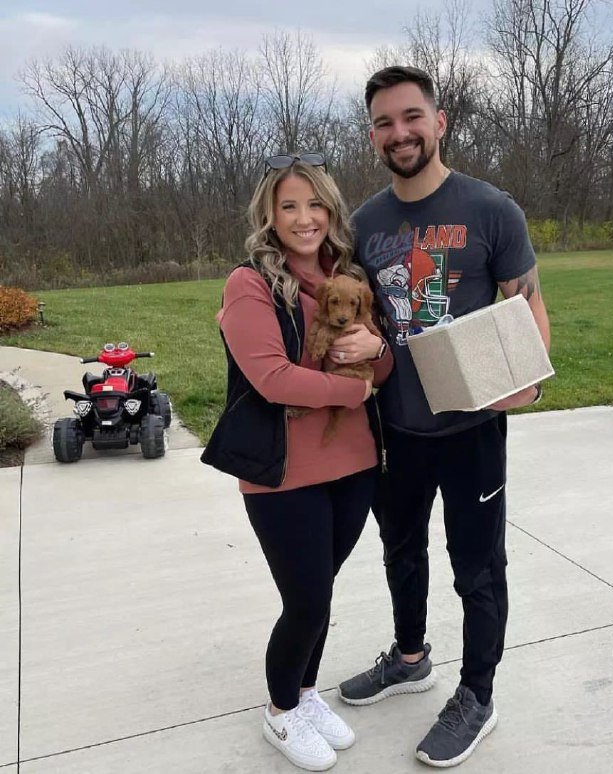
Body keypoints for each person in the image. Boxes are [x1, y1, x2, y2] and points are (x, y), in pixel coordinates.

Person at [337, 66, 551, 767]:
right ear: (372, 134)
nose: (399, 133)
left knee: (477, 568)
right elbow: (357, 317)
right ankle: (410, 658)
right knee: (400, 550)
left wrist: (527, 387)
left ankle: (477, 695)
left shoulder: (491, 209)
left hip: (470, 432)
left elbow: (528, 306)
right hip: (395, 428)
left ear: (439, 121)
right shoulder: (364, 225)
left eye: (410, 117)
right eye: (384, 122)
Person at [214, 153, 393, 771]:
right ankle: (281, 710)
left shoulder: (351, 277)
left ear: (331, 210)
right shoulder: (250, 285)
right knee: (307, 600)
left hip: (356, 466)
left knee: (322, 589)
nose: (304, 217)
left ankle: (307, 693)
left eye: (315, 204)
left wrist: (378, 352)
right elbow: (272, 379)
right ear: (269, 214)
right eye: (288, 205)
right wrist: (354, 390)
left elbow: (384, 364)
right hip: (285, 473)